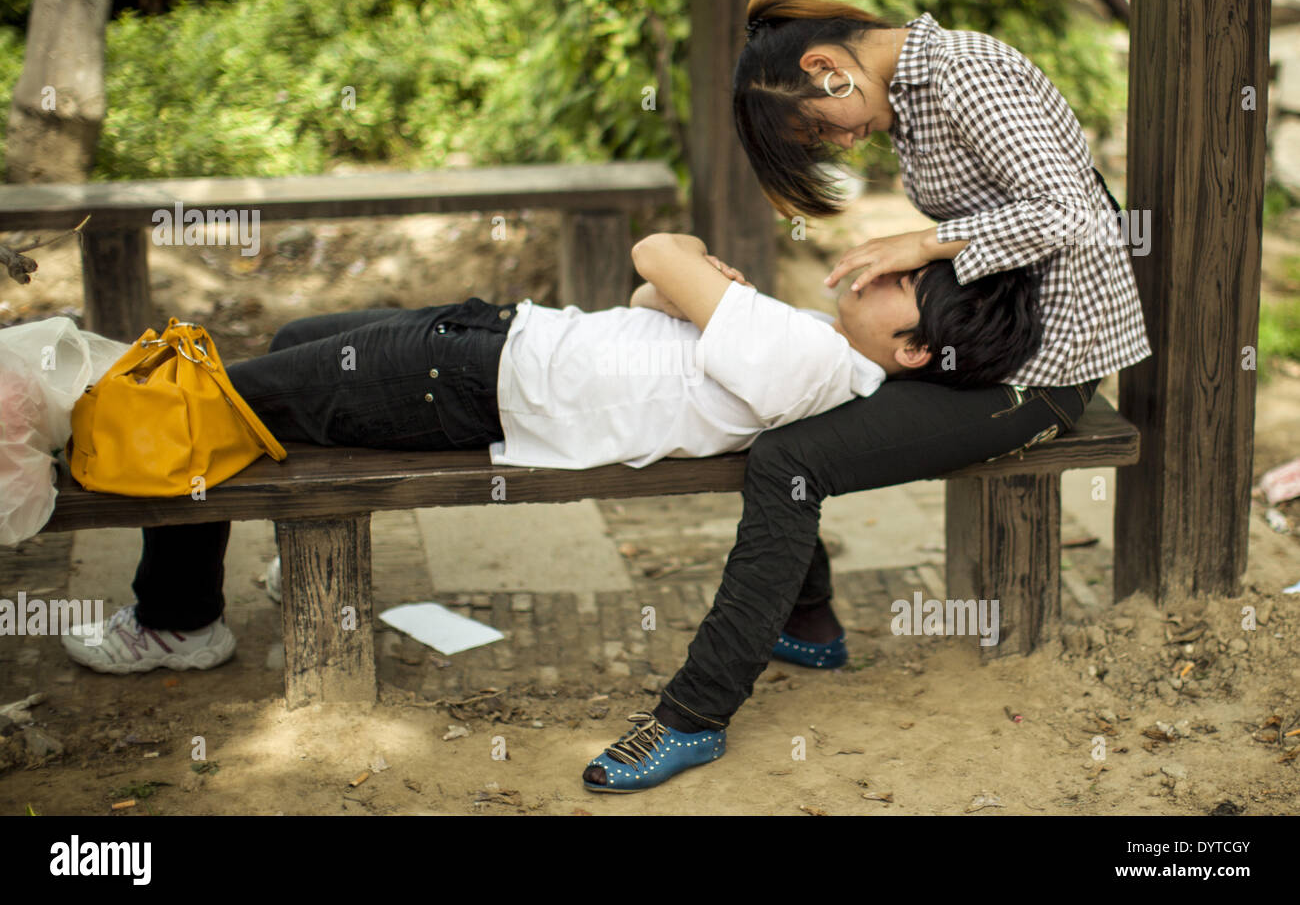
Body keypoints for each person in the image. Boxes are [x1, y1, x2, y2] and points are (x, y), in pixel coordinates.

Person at [582, 0, 1150, 793]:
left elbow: (1071, 213)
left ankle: (693, 717)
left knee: (789, 461)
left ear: (828, 69)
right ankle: (807, 625)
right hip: (983, 351)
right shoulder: (921, 93)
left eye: (818, 127)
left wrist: (920, 240)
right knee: (775, 404)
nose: (837, 146)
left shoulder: (963, 76)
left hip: (1041, 372)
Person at [60, 230, 1042, 674]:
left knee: (212, 398)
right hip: (488, 344)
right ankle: (250, 570)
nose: (877, 266)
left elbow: (654, 252)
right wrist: (686, 284)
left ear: (914, 345)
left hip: (461, 380)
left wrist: (687, 255)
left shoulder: (801, 353)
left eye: (903, 279)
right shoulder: (824, 358)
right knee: (291, 345)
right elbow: (654, 307)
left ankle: (177, 621)